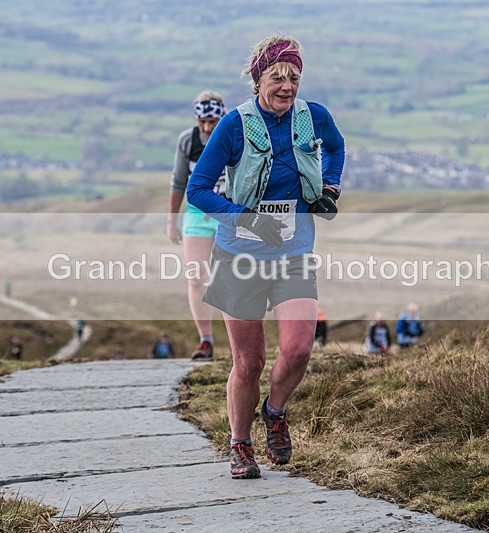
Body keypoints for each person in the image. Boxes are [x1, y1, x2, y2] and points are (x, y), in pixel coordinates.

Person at [187, 34, 345, 479]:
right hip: (240, 254)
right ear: (259, 78)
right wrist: (245, 219)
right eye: (278, 77)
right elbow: (199, 190)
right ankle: (240, 445)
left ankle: (275, 411)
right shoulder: (234, 125)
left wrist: (329, 184)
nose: (287, 86)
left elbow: (336, 146)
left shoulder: (313, 116)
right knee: (249, 362)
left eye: (294, 78)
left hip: (294, 252)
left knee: (297, 350)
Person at [167, 91, 227, 361]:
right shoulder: (187, 141)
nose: (207, 127)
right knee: (196, 278)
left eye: (213, 121)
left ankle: (241, 341)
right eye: (202, 121)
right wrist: (172, 220)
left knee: (232, 277)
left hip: (229, 210)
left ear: (221, 117)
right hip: (196, 212)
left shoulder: (234, 135)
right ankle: (205, 341)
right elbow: (178, 181)